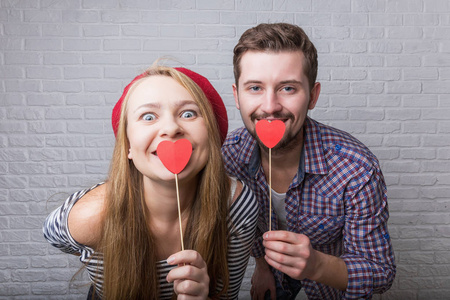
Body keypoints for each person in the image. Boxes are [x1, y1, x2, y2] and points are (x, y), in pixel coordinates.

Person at [43, 65, 258, 300]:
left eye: (188, 114)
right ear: (127, 146)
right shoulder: (89, 217)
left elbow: (227, 296)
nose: (171, 128)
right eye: (148, 117)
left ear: (212, 135)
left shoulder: (237, 205)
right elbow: (54, 237)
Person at [221, 23, 396, 299]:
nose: (269, 106)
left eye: (288, 88)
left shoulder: (356, 168)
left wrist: (316, 265)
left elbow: (380, 271)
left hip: (333, 287)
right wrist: (262, 266)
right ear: (237, 96)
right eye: (255, 87)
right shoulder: (229, 156)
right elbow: (249, 225)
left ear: (312, 96)